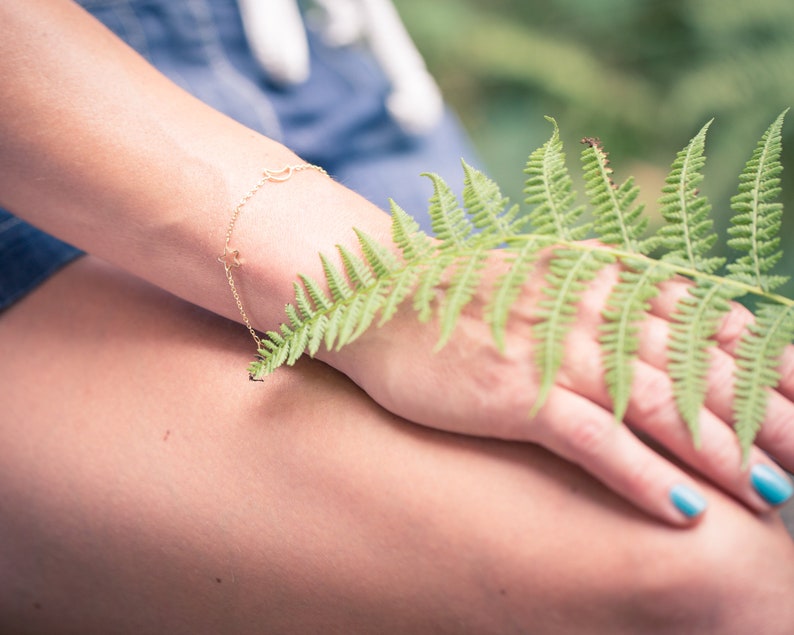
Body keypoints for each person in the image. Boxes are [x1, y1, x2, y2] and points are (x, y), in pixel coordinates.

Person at [1, 1, 793, 633]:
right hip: (39, 133)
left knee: (721, 446)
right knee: (699, 577)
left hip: (326, 72)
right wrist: (390, 281)